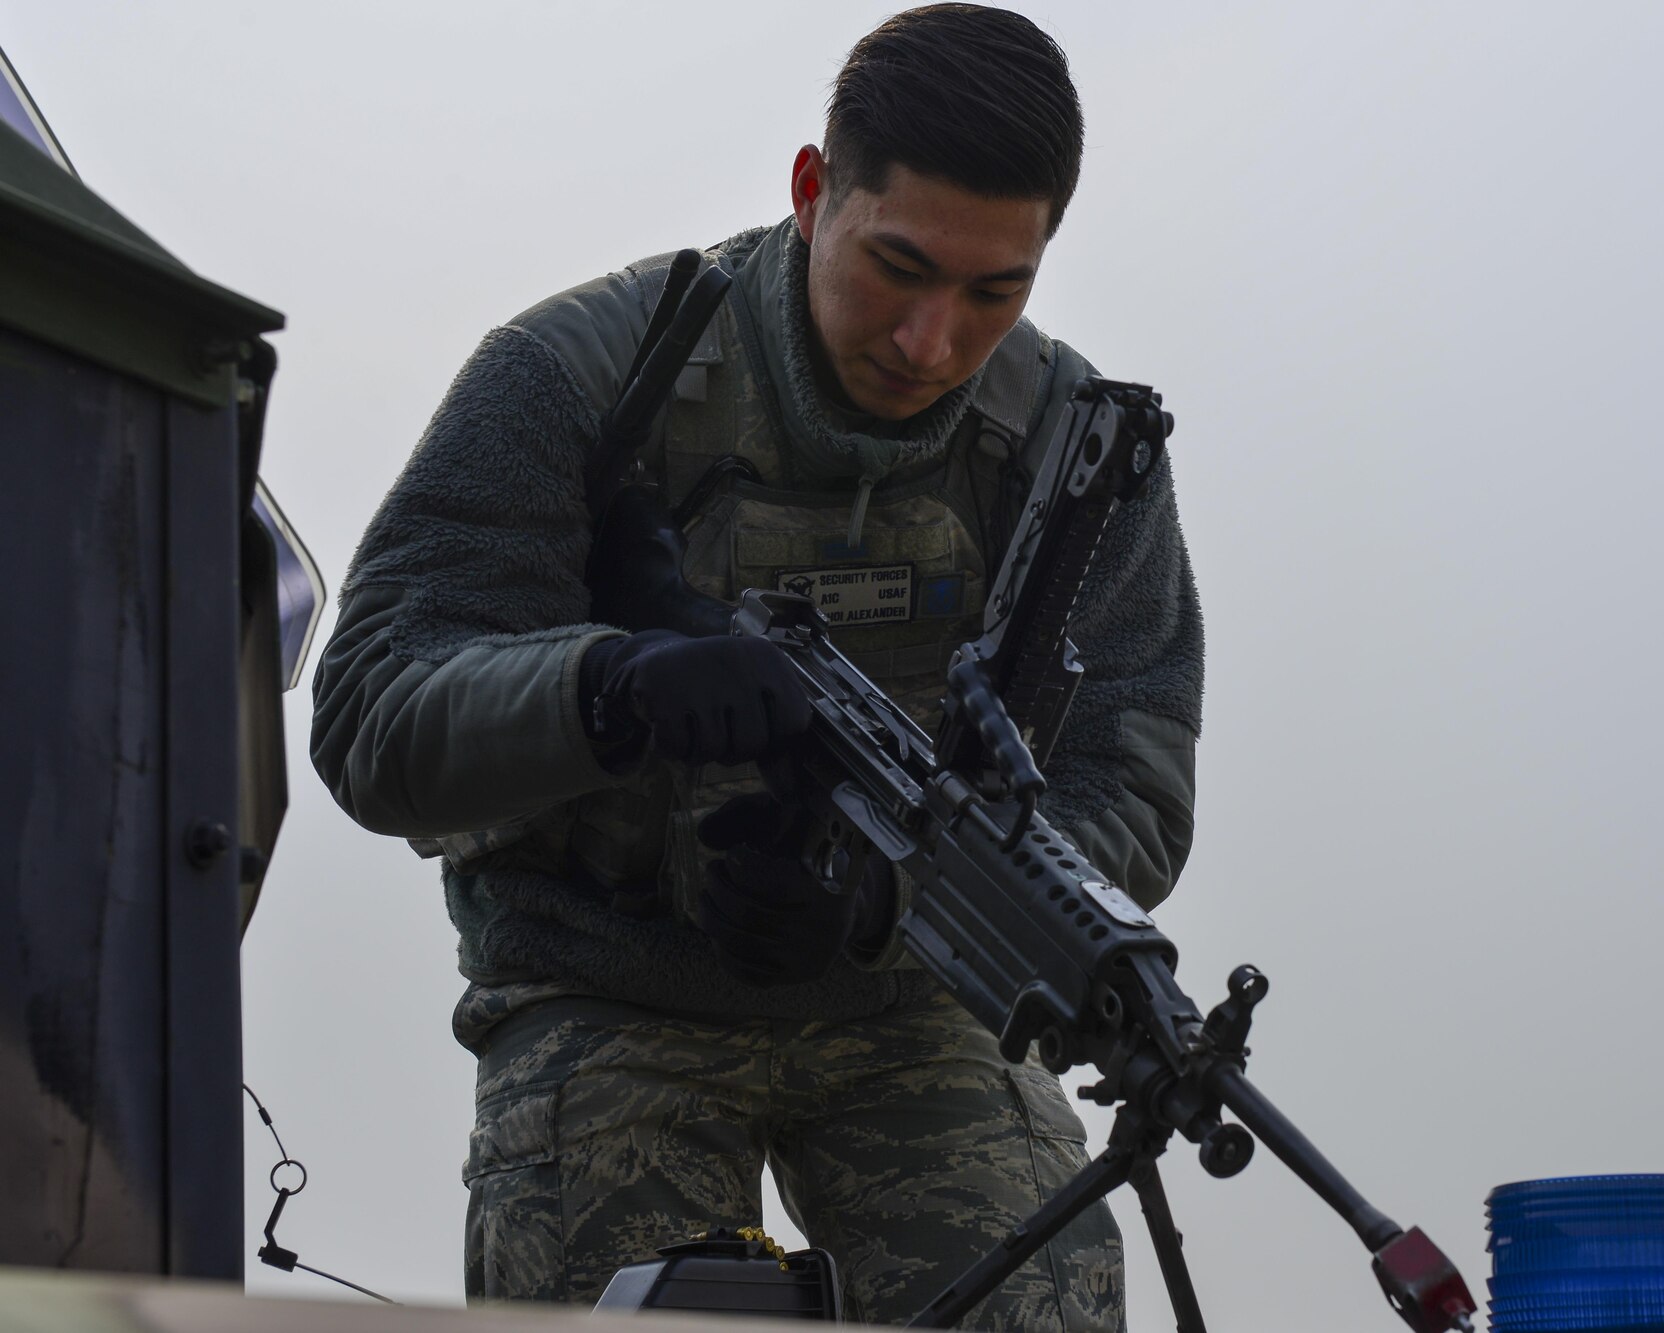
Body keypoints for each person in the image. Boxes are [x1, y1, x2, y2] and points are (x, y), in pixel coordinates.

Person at [310, 6, 1201, 1327]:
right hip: (607, 977)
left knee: (1040, 1296)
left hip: (912, 1003)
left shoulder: (1075, 455)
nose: (931, 341)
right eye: (898, 267)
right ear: (810, 190)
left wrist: (887, 900)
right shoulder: (579, 377)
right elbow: (372, 712)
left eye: (992, 293)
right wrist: (607, 690)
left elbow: (1129, 778)